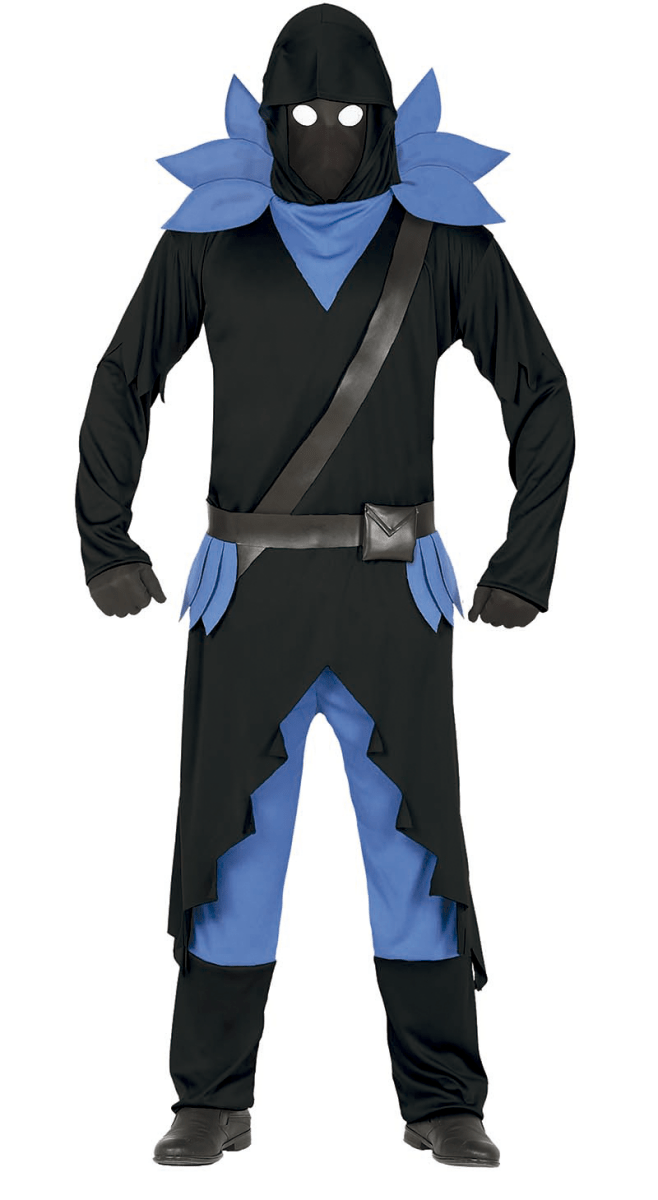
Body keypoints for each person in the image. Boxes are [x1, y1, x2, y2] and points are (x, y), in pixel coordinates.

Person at [76, 3, 575, 1170]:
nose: (327, 133)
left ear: (385, 118)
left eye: (351, 114)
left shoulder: (439, 241)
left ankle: (443, 1097)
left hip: (392, 590)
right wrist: (106, 540)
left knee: (413, 850)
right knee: (234, 847)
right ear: (267, 114)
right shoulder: (210, 239)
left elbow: (539, 390)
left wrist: (526, 559)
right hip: (245, 592)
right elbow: (123, 376)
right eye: (302, 112)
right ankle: (211, 1096)